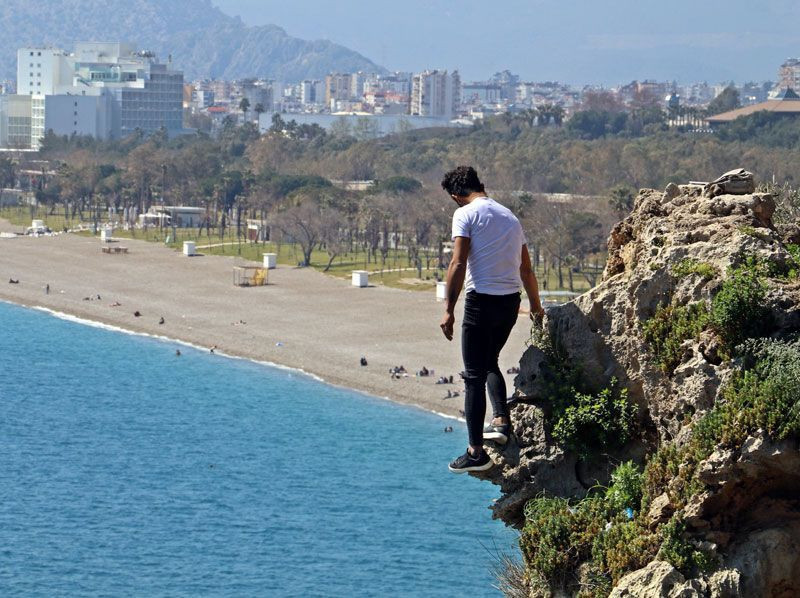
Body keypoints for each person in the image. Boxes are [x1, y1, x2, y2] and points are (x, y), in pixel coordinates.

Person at [439, 166, 544, 474]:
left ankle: (475, 452)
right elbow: (526, 270)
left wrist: (448, 309)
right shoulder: (510, 217)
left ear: (456, 196)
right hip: (510, 302)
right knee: (489, 362)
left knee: (473, 375)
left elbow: (458, 262)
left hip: (481, 300)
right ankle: (500, 421)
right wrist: (536, 307)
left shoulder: (465, 214)